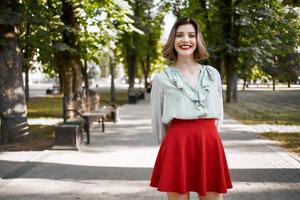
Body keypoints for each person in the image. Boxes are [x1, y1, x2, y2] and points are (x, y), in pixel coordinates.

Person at [149, 18, 233, 200]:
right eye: (179, 35)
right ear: (173, 40)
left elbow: (219, 113)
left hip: (209, 143)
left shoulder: (213, 74)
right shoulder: (162, 79)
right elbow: (157, 121)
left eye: (191, 35)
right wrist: (170, 148)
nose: (185, 40)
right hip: (177, 145)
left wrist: (209, 136)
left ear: (197, 40)